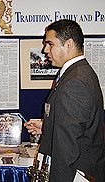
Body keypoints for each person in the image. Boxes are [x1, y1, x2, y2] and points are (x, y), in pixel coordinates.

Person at [24, 19, 105, 182]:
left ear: (68, 44)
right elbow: (77, 126)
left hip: (75, 173)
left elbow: (67, 149)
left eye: (50, 44)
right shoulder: (79, 72)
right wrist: (48, 125)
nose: (45, 49)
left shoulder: (74, 81)